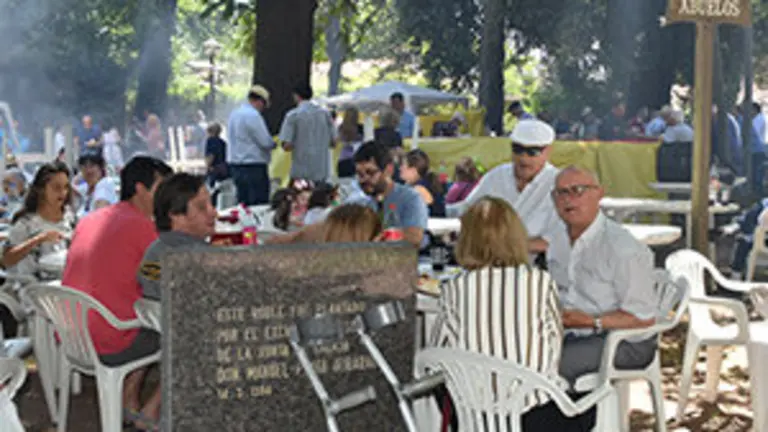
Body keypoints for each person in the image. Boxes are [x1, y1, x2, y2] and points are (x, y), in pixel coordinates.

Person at [62, 156, 172, 430]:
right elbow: (169, 279)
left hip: (72, 333)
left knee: (141, 319)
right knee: (185, 330)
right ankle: (150, 410)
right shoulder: (145, 228)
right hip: (111, 338)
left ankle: (128, 400)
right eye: (162, 187)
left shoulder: (90, 220)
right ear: (140, 189)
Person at [431, 197, 562, 424]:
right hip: (533, 415)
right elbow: (554, 347)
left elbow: (438, 355)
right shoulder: (541, 283)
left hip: (474, 416)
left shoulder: (454, 288)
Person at [547, 166, 658, 384]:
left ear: (599, 193)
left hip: (624, 340)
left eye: (578, 190)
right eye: (561, 193)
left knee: (546, 365)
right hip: (570, 332)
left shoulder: (623, 248)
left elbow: (643, 319)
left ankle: (575, 417)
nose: (568, 199)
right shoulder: (557, 239)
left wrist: (591, 321)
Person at [269, 142, 428, 249]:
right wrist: (286, 239)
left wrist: (376, 236)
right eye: (359, 174)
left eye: (370, 173)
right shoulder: (359, 201)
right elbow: (326, 227)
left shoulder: (410, 199)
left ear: (388, 170)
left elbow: (415, 237)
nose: (363, 179)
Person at [451, 119, 564, 256]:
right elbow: (468, 212)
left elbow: (561, 239)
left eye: (533, 152)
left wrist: (504, 248)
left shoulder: (561, 184)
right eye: (518, 150)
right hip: (489, 263)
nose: (524, 157)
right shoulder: (496, 176)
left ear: (548, 151)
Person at [138, 173, 216, 302]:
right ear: (175, 214)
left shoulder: (154, 251)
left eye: (211, 205)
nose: (213, 212)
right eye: (202, 207)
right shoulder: (201, 258)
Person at [2, 162, 73, 280]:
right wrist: (38, 240)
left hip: (64, 287)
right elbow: (6, 260)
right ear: (41, 190)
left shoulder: (70, 218)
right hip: (31, 291)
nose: (63, 192)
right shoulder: (26, 223)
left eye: (66, 187)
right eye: (56, 187)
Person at [227, 85, 276, 205]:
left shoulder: (234, 114)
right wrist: (273, 143)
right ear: (260, 101)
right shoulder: (253, 116)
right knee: (258, 204)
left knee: (243, 204)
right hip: (254, 166)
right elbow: (265, 142)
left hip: (236, 166)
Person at [279, 83, 336, 183]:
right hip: (321, 171)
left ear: (296, 96)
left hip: (301, 172)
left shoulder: (293, 115)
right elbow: (334, 142)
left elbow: (286, 145)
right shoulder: (325, 114)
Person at [400, 149, 446, 217]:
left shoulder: (419, 190)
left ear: (413, 170)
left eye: (403, 165)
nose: (400, 168)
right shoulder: (420, 184)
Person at [75, 153, 118, 218]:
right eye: (84, 167)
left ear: (101, 168)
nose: (88, 171)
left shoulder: (105, 184)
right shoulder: (87, 188)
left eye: (92, 166)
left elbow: (101, 214)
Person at [337, 107, 364, 178]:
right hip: (356, 158)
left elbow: (338, 141)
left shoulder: (341, 128)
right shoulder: (360, 127)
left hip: (342, 158)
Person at [204, 123, 229, 197]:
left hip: (214, 170)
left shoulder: (210, 141)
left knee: (211, 190)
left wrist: (208, 166)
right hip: (224, 170)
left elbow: (211, 155)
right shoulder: (223, 142)